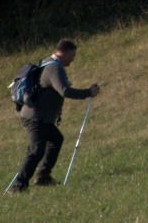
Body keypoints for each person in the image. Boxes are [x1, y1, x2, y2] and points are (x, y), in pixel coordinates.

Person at [8, 39, 101, 192]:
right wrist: (88, 92)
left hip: (40, 117)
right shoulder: (54, 68)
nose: (73, 59)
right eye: (73, 55)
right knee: (36, 151)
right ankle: (18, 186)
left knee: (56, 139)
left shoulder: (48, 63)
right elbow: (64, 91)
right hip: (36, 117)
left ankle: (43, 176)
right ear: (68, 52)